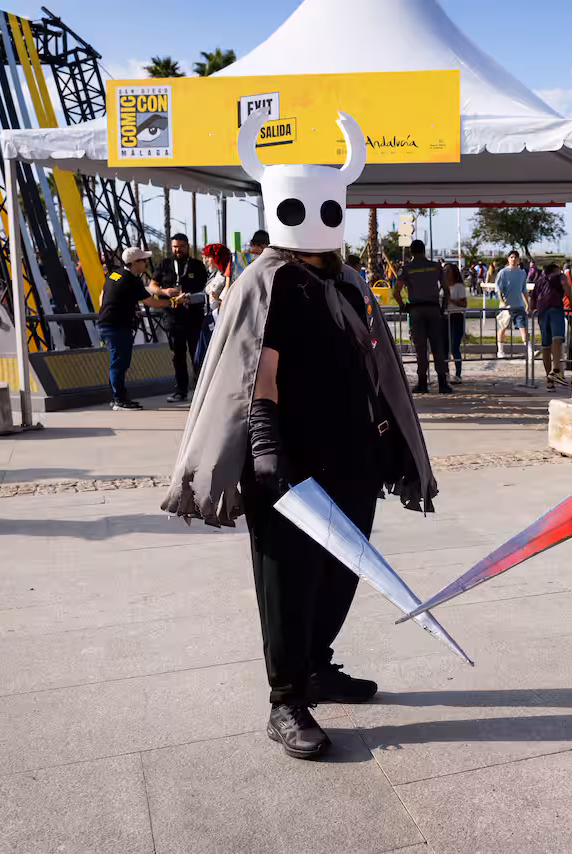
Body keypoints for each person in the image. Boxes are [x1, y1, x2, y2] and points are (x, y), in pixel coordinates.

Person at [163, 110, 437, 761]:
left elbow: (373, 366)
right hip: (287, 463)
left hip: (352, 456)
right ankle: (286, 699)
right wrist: (264, 447)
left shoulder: (344, 281)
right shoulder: (268, 283)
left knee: (343, 570)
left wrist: (388, 438)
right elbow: (257, 373)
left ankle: (317, 665)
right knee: (288, 579)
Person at [98, 248, 170, 411]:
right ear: (135, 263)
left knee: (115, 362)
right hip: (117, 326)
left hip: (106, 324)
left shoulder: (113, 274)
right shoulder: (132, 281)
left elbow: (102, 295)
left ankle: (117, 397)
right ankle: (119, 400)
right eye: (143, 260)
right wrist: (174, 303)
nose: (146, 263)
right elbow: (152, 303)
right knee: (119, 363)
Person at [152, 233, 209, 403]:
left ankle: (201, 391)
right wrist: (165, 292)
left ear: (187, 246)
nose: (178, 250)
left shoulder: (197, 265)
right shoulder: (165, 264)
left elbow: (207, 289)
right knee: (177, 356)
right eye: (175, 246)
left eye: (181, 246)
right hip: (173, 318)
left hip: (194, 317)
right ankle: (180, 390)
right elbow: (152, 286)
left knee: (197, 355)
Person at [392, 240, 452, 394]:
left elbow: (396, 291)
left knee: (421, 349)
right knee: (438, 347)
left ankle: (422, 383)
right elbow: (446, 289)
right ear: (424, 251)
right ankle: (442, 383)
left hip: (416, 311)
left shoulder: (407, 269)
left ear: (411, 252)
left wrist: (403, 306)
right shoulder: (435, 267)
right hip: (433, 309)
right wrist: (444, 308)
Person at [193, 243, 233, 370]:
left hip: (220, 317)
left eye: (208, 257)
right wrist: (189, 298)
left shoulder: (228, 274)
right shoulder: (215, 274)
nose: (205, 260)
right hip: (211, 316)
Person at [531, 262, 570, 389]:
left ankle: (549, 379)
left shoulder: (539, 281)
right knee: (557, 339)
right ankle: (556, 370)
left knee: (546, 347)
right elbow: (566, 286)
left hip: (542, 313)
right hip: (555, 310)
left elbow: (533, 297)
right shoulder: (560, 277)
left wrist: (533, 309)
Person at [494, 250, 530, 359]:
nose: (513, 259)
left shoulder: (522, 273)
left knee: (523, 327)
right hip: (505, 307)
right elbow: (498, 289)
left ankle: (529, 350)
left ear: (519, 260)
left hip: (518, 305)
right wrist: (503, 302)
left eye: (516, 257)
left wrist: (527, 304)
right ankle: (500, 351)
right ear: (508, 259)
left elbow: (523, 290)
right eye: (511, 257)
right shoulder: (503, 273)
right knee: (502, 328)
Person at [443, 262, 467, 384]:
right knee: (444, 347)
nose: (446, 272)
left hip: (456, 317)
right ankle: (445, 372)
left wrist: (450, 300)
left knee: (455, 347)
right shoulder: (441, 286)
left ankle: (458, 374)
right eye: (444, 270)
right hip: (444, 318)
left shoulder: (459, 287)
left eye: (448, 270)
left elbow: (464, 303)